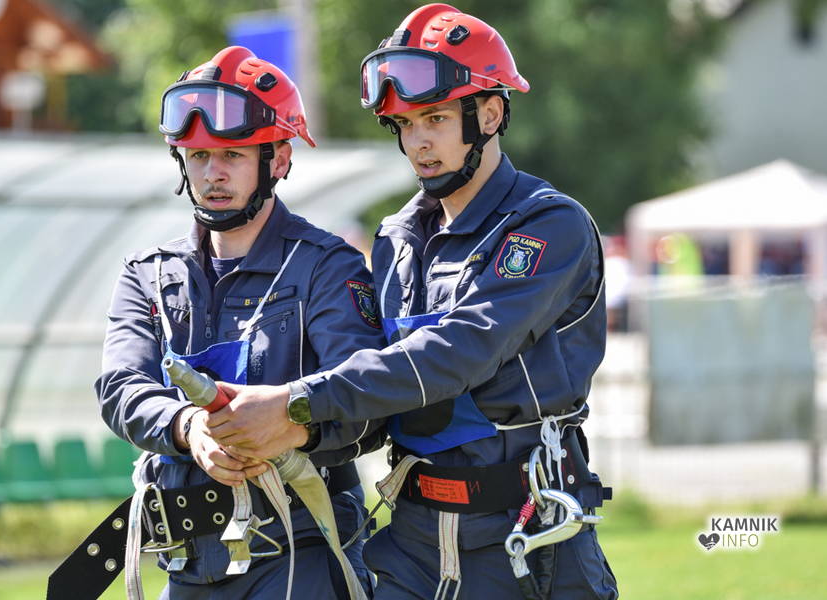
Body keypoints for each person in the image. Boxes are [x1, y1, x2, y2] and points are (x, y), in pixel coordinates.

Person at [212, 5, 619, 599]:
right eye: (403, 124)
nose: (418, 142)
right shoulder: (396, 239)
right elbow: (378, 397)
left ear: (490, 114)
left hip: (531, 542)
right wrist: (274, 432)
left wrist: (296, 402)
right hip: (409, 545)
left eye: (435, 118)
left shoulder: (547, 226)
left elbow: (458, 353)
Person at [50, 46, 385, 600]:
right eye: (199, 155)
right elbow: (120, 387)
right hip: (185, 564)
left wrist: (288, 420)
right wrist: (187, 427)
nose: (213, 173)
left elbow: (365, 397)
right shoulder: (147, 274)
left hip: (299, 555)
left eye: (232, 154)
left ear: (278, 160)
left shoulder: (328, 267)